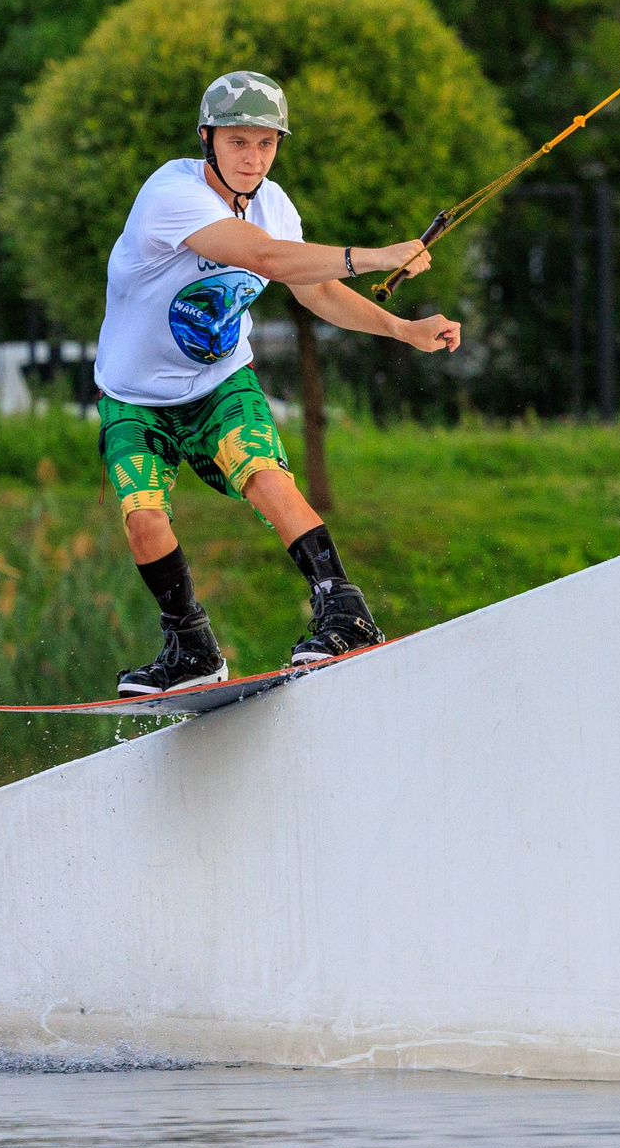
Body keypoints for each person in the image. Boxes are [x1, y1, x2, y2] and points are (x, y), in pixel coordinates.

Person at [93, 70, 460, 696]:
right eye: (239, 142)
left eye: (266, 144)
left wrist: (402, 329)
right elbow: (264, 258)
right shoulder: (171, 192)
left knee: (268, 477)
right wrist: (374, 256)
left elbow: (314, 288)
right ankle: (191, 648)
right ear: (207, 139)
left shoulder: (274, 204)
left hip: (219, 384)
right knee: (143, 517)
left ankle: (343, 612)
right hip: (135, 399)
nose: (253, 158)